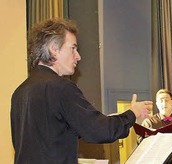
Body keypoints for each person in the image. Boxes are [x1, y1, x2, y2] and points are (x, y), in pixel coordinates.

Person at [10, 18, 152, 163]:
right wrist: (133, 113)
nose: (78, 56)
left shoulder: (20, 92)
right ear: (54, 48)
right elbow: (99, 131)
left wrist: (112, 118)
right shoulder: (61, 87)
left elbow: (53, 134)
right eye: (73, 48)